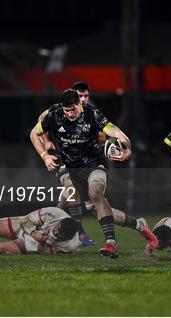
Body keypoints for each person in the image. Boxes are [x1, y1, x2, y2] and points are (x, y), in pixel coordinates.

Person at [30, 89, 158, 259]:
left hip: (95, 164)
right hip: (74, 172)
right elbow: (33, 133)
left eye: (73, 109)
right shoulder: (56, 116)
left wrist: (127, 148)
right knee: (103, 211)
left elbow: (114, 131)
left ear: (79, 104)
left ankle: (110, 244)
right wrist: (45, 156)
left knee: (95, 191)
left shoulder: (92, 114)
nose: (70, 114)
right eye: (67, 111)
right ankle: (140, 226)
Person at [35, 81, 95, 247]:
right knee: (72, 191)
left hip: (81, 163)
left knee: (65, 200)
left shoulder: (90, 112)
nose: (83, 99)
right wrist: (46, 142)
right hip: (62, 158)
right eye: (80, 95)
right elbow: (40, 120)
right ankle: (80, 233)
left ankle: (43, 225)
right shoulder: (58, 109)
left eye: (85, 96)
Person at [0, 207, 80, 256]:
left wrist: (43, 242)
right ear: (58, 223)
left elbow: (45, 252)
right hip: (24, 228)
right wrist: (34, 233)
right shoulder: (54, 214)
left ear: (67, 237)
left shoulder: (71, 245)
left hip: (29, 246)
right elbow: (25, 220)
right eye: (56, 230)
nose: (55, 233)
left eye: (58, 235)